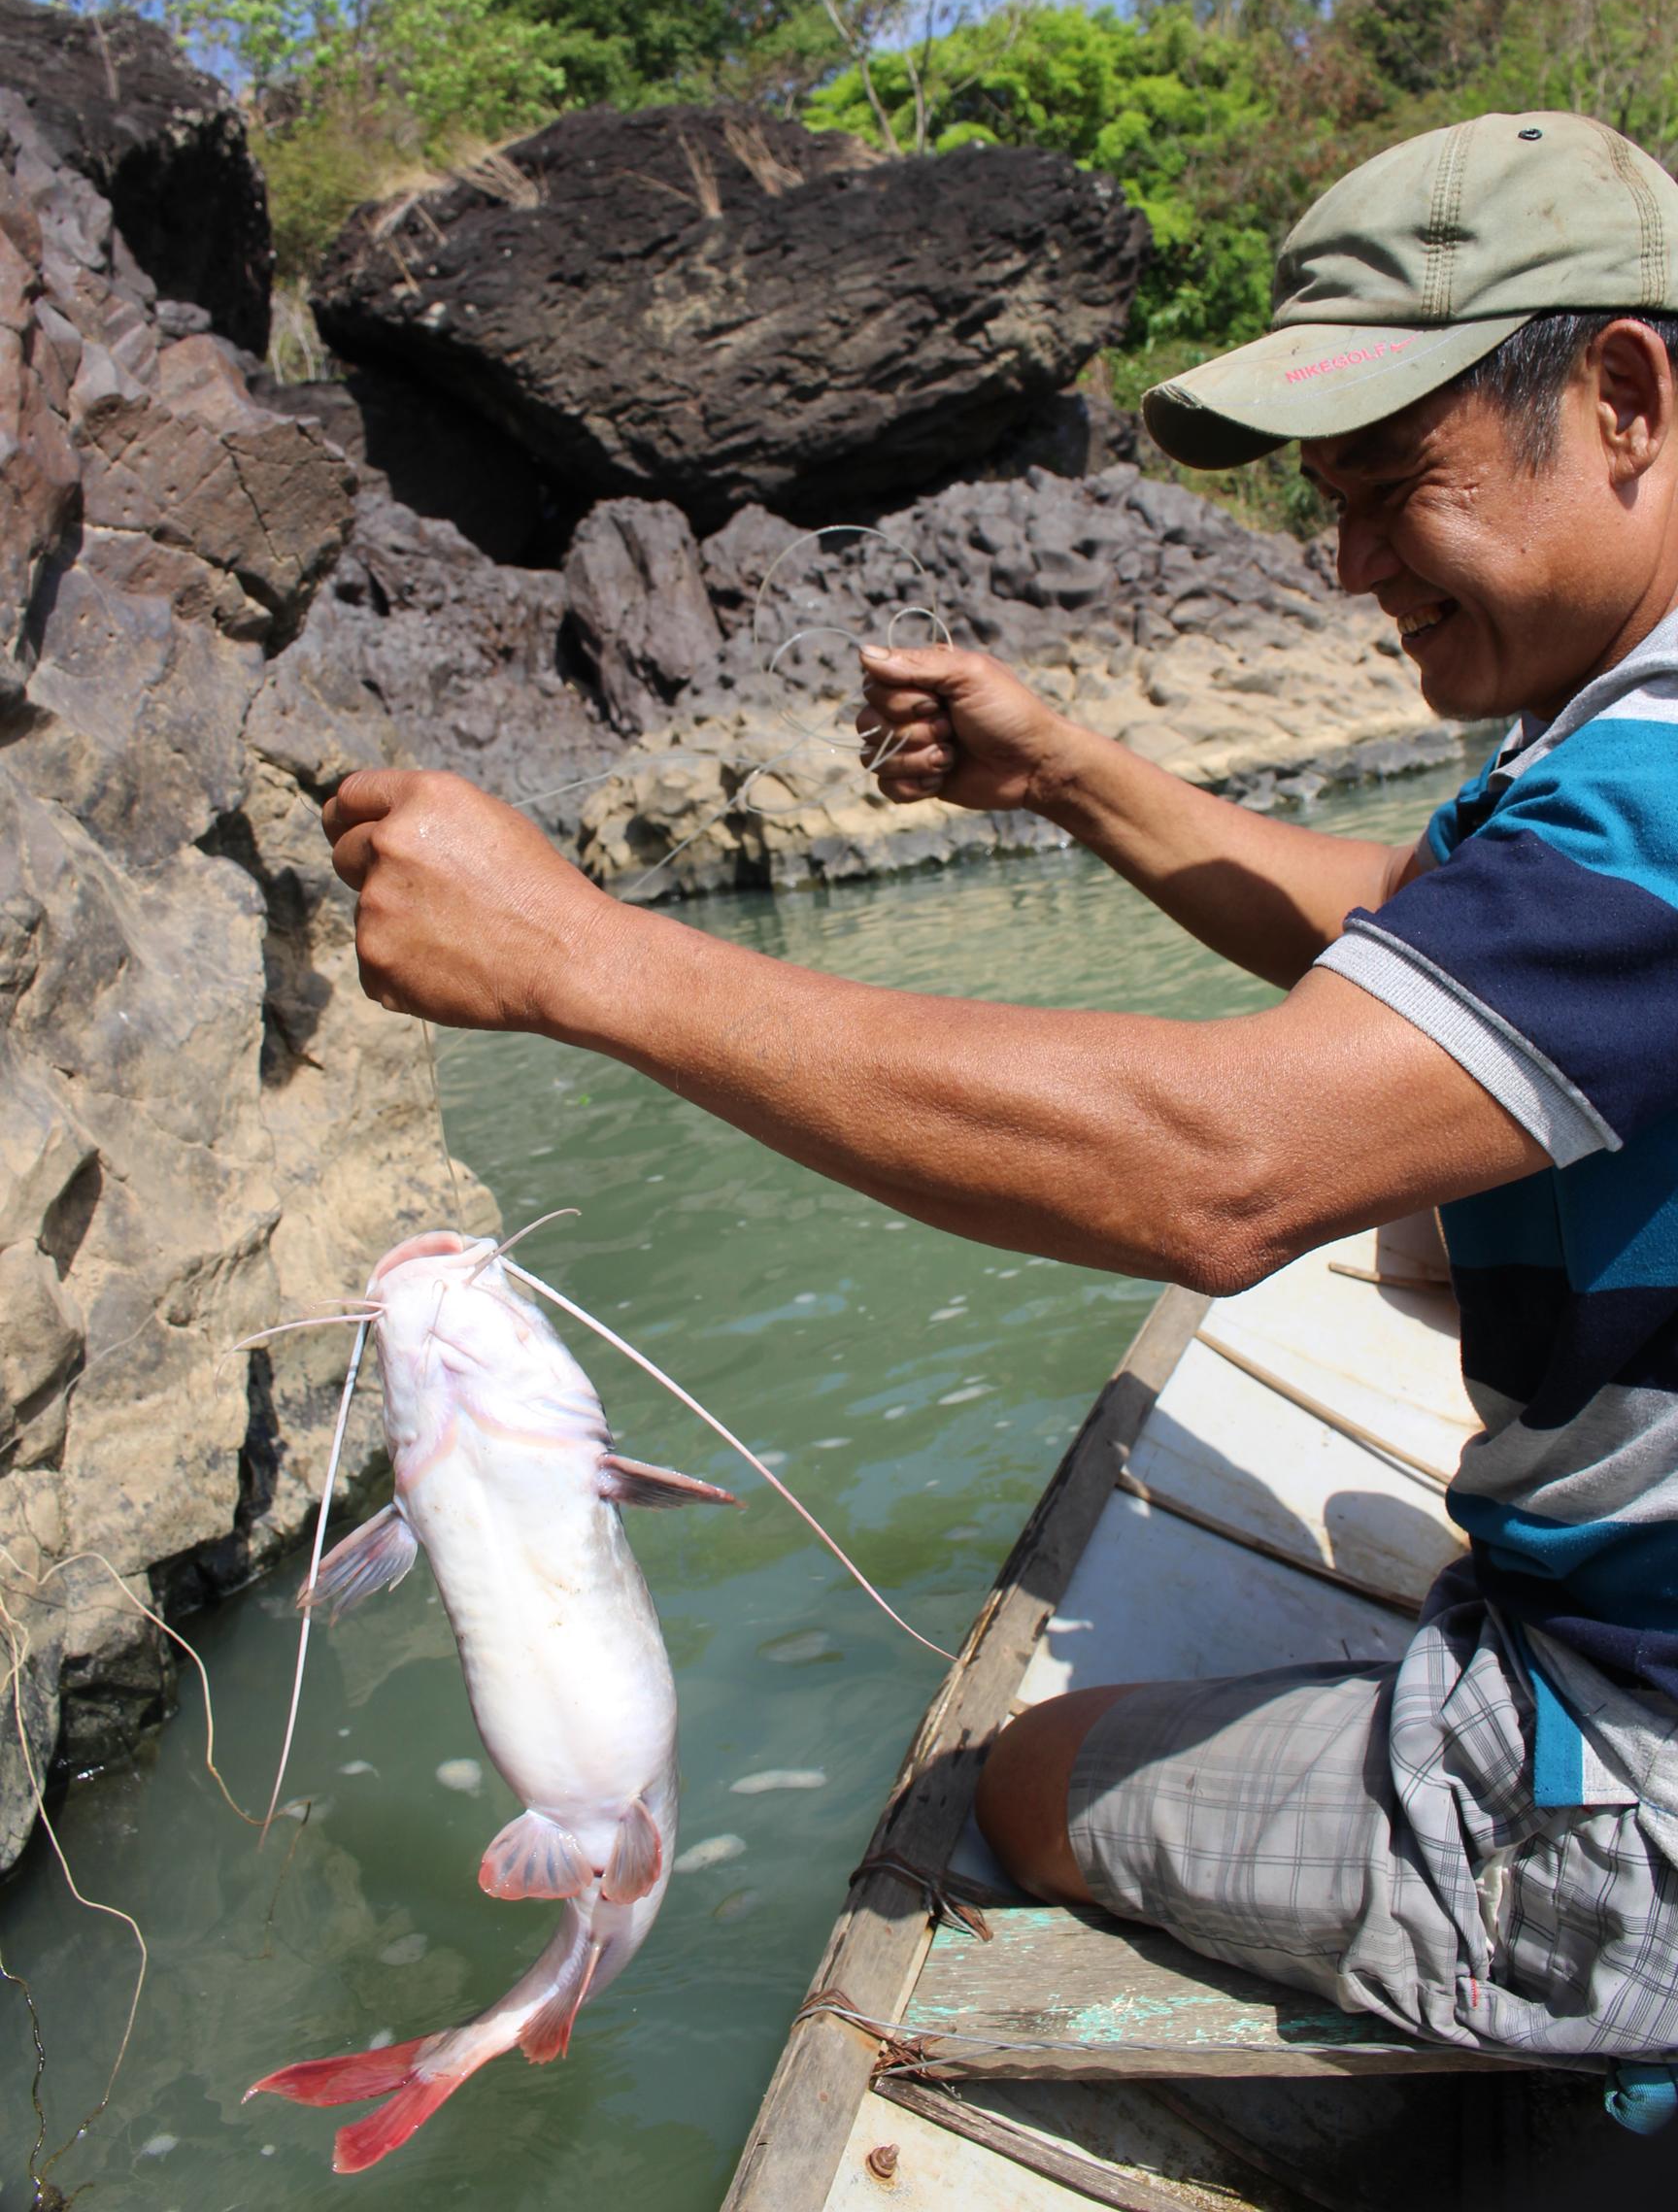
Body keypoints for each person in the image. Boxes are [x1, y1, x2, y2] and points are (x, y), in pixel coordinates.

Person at [323, 111, 1678, 2083]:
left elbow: (1229, 1167)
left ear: (1628, 396)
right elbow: (1416, 933)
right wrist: (1066, 772)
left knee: (1025, 1786)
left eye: (1398, 484)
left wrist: (575, 957)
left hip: (1640, 1773)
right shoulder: (1613, 764)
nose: (1355, 562)